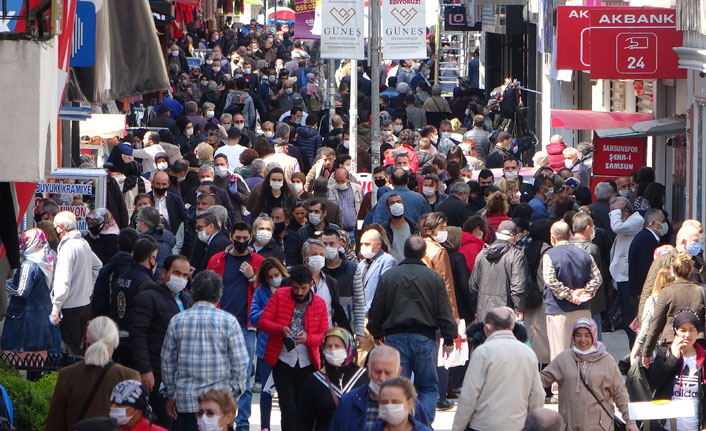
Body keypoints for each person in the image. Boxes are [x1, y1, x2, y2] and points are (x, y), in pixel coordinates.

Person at [367, 236, 458, 421]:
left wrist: (376, 332)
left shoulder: (390, 276)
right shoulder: (433, 277)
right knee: (428, 387)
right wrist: (449, 337)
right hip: (425, 338)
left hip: (395, 338)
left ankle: (401, 424)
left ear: (405, 252)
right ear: (424, 254)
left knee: (398, 386)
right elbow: (444, 309)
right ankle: (422, 424)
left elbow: (377, 308)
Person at [161, 270, 249, 431]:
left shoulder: (177, 321)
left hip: (187, 401)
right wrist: (232, 394)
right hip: (219, 403)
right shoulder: (229, 321)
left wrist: (171, 394)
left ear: (192, 292)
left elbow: (167, 362)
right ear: (219, 294)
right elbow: (241, 363)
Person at [205, 221, 264, 431]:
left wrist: (252, 278)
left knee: (244, 379)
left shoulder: (258, 261)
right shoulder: (216, 260)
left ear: (251, 237)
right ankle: (223, 420)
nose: (241, 242)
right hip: (218, 325)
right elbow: (207, 288)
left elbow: (266, 293)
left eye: (244, 238)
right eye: (237, 238)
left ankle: (242, 424)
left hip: (246, 326)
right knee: (219, 375)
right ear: (230, 236)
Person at [257, 265, 330, 431]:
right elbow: (262, 322)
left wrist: (308, 338)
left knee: (305, 407)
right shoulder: (280, 296)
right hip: (282, 360)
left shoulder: (319, 303)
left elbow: (324, 335)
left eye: (303, 288)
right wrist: (280, 329)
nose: (299, 292)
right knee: (287, 406)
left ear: (311, 284)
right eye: (296, 288)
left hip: (308, 362)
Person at [452, 307, 544, 431]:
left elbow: (469, 395)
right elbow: (537, 394)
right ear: (512, 326)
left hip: (484, 424)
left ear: (487, 327)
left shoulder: (482, 352)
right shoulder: (528, 353)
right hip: (517, 425)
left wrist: (458, 427)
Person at [129, 255, 193, 429]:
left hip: (182, 376)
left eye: (185, 275)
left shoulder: (186, 300)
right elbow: (138, 335)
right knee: (161, 422)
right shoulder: (148, 298)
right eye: (177, 273)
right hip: (157, 373)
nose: (181, 278)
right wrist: (145, 369)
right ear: (164, 273)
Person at [540, 318, 638, 431]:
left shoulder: (607, 360)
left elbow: (620, 394)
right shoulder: (563, 359)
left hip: (600, 427)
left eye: (587, 335)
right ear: (573, 337)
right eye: (578, 335)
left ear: (593, 336)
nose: (583, 339)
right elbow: (541, 380)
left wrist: (630, 421)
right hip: (569, 427)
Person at [46, 317, 140, 431]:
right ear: (116, 343)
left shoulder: (67, 374)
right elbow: (136, 424)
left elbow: (54, 424)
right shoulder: (129, 376)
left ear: (87, 341)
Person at [329, 346, 430, 431]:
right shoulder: (349, 402)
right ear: (368, 370)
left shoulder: (412, 405)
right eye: (377, 372)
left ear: (398, 372)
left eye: (388, 373)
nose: (382, 378)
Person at [543, 221, 602, 360]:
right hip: (583, 309)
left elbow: (550, 280)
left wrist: (570, 295)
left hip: (559, 311)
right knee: (584, 352)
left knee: (560, 356)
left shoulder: (549, 255)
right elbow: (597, 278)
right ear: (570, 235)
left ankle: (561, 382)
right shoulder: (585, 254)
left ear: (552, 237)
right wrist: (584, 292)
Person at [51, 211, 103, 355]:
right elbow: (98, 265)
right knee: (76, 348)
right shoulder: (83, 243)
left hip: (69, 306)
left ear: (60, 228)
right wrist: (88, 289)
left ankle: (71, 376)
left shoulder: (68, 247)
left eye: (56, 227)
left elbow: (63, 281)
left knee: (69, 351)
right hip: (84, 303)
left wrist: (56, 307)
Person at [298, 328, 369, 431]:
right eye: (328, 346)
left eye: (338, 346)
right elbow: (305, 420)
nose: (333, 350)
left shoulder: (363, 377)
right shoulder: (315, 380)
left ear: (348, 347)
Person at [647, 308, 706, 431]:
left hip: (695, 425)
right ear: (675, 332)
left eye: (692, 330)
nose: (687, 335)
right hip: (667, 425)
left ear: (697, 332)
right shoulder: (664, 353)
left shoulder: (703, 357)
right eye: (683, 330)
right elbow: (655, 383)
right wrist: (674, 358)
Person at [642, 253, 706, 366]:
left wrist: (646, 352)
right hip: (697, 342)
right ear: (691, 269)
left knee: (671, 380)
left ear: (673, 270)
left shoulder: (666, 292)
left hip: (671, 342)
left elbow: (655, 325)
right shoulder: (701, 291)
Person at [1, 229, 55, 357]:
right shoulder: (44, 263)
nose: (21, 243)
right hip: (40, 320)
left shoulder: (28, 265)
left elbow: (21, 291)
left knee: (20, 361)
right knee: (39, 361)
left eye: (24, 240)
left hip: (24, 321)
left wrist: (4, 283)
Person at [249, 258, 289, 431]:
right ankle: (265, 426)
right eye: (270, 276)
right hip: (266, 347)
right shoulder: (261, 292)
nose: (274, 278)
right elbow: (254, 316)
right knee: (266, 389)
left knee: (286, 391)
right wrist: (271, 311)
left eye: (276, 274)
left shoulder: (289, 288)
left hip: (287, 348)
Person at [352, 227, 397, 362]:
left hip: (378, 320)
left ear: (378, 244)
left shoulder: (387, 261)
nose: (363, 247)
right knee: (358, 360)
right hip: (362, 320)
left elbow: (384, 292)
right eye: (361, 244)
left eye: (367, 244)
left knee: (385, 359)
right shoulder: (360, 265)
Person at [470, 220, 527, 322]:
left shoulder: (482, 254)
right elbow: (518, 287)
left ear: (496, 234)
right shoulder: (516, 255)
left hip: (483, 311)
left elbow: (473, 285)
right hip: (506, 312)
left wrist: (476, 308)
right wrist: (519, 310)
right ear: (515, 237)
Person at [626, 208, 667, 342]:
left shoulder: (649, 238)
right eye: (662, 221)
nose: (665, 224)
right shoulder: (646, 240)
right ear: (653, 224)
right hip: (641, 291)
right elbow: (645, 269)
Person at [608, 195, 644, 341]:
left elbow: (616, 227)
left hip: (627, 276)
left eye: (615, 213)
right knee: (624, 316)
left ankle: (633, 348)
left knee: (630, 317)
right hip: (620, 275)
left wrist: (616, 210)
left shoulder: (636, 220)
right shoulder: (628, 221)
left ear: (625, 211)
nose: (614, 216)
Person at [301, 238, 351, 330]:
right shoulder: (291, 282)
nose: (318, 257)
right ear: (304, 256)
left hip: (326, 337)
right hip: (301, 337)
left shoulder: (332, 283)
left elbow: (335, 311)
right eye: (314, 254)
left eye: (321, 255)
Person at [419, 213, 460, 322]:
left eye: (445, 228)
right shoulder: (439, 251)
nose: (444, 231)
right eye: (441, 228)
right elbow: (447, 284)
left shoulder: (417, 246)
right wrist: (454, 316)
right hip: (434, 305)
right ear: (429, 230)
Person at [630, 266, 675, 365]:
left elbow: (645, 331)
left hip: (657, 351)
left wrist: (633, 354)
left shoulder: (653, 301)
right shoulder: (678, 299)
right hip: (675, 348)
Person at [321, 229, 359, 325]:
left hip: (347, 325)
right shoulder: (318, 270)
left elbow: (359, 302)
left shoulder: (352, 268)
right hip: (323, 325)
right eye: (324, 244)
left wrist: (359, 331)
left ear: (340, 244)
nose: (328, 247)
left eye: (331, 243)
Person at [329, 168, 363, 236]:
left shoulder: (357, 189)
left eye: (342, 181)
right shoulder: (331, 190)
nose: (340, 183)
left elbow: (362, 209)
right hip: (338, 231)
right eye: (337, 181)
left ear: (348, 179)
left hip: (354, 230)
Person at [382, 195, 417, 262]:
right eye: (392, 203)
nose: (396, 205)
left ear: (403, 206)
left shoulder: (413, 227)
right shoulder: (383, 230)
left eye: (398, 202)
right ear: (388, 209)